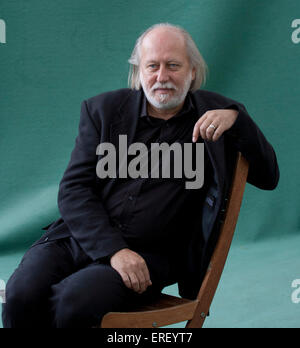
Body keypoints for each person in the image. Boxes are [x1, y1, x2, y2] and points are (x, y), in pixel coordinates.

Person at [2, 23, 279, 328]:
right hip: (77, 237)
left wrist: (238, 120)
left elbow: (269, 176)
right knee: (19, 295)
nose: (162, 77)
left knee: (73, 302)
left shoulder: (214, 117)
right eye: (153, 66)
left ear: (192, 72)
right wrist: (114, 250)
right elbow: (74, 189)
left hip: (151, 255)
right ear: (138, 72)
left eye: (173, 65)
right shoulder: (102, 111)